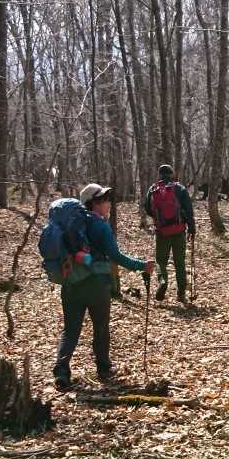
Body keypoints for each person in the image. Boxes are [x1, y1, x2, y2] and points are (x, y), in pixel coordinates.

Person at [55, 183, 152, 391]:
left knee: (70, 329)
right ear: (93, 204)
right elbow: (116, 256)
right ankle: (104, 368)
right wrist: (141, 265)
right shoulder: (100, 226)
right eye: (103, 200)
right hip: (96, 284)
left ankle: (61, 371)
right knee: (100, 326)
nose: (108, 204)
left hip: (71, 283)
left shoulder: (72, 225)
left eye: (107, 199)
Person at [142, 164, 195, 303]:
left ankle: (163, 281)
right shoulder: (180, 188)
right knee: (180, 263)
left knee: (161, 261)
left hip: (162, 232)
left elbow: (148, 208)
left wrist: (159, 219)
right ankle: (181, 294)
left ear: (159, 175)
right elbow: (189, 210)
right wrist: (192, 228)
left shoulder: (153, 189)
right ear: (172, 174)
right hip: (179, 230)